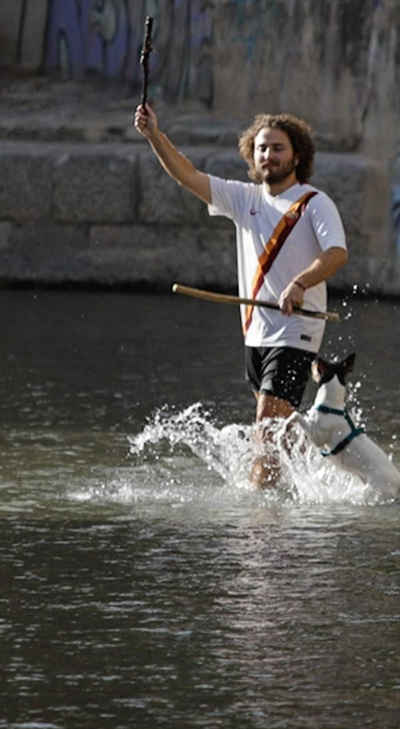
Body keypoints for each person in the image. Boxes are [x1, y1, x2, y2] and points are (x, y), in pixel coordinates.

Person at [134, 104, 349, 489]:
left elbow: (337, 253)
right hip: (256, 335)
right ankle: (320, 478)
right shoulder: (243, 198)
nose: (269, 155)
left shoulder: (314, 203)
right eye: (262, 148)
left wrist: (300, 283)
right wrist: (154, 135)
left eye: (278, 148)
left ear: (297, 155)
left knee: (265, 424)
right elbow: (188, 176)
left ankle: (258, 517)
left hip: (296, 332)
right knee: (278, 429)